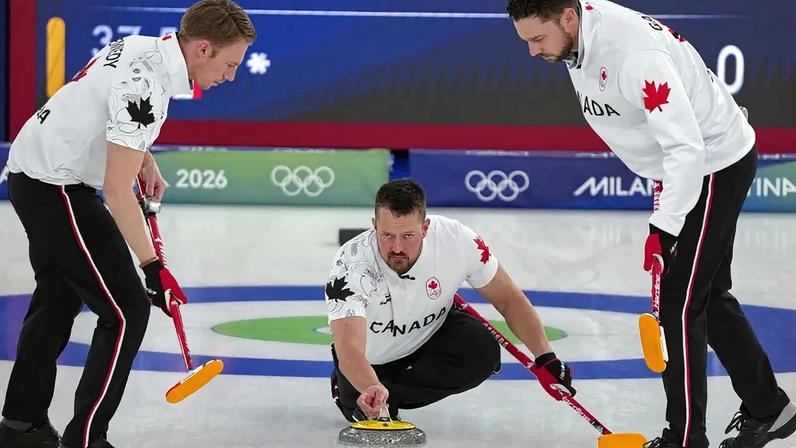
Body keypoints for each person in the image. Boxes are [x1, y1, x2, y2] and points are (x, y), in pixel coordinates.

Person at [506, 1, 796, 447]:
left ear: (568, 17)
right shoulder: (574, 36)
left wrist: (664, 226)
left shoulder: (633, 55)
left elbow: (687, 150)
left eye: (537, 39)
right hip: (682, 168)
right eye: (525, 40)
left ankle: (684, 439)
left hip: (712, 164)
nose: (531, 52)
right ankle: (768, 406)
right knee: (707, 296)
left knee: (679, 304)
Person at [0, 2, 255, 447]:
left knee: (58, 299)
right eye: (229, 64)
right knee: (126, 311)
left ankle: (21, 426)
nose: (230, 77)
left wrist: (144, 157)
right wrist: (153, 267)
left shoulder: (144, 47)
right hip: (57, 185)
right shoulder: (148, 83)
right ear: (202, 48)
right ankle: (87, 438)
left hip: (33, 170)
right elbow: (117, 193)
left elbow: (107, 110)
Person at [325, 179, 575, 422]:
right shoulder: (350, 265)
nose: (397, 247)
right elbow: (350, 351)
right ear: (374, 226)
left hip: (430, 335)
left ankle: (394, 396)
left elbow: (509, 299)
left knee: (482, 351)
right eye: (387, 235)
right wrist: (370, 386)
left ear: (425, 228)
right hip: (370, 362)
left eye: (409, 235)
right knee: (360, 400)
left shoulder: (457, 240)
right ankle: (372, 392)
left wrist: (546, 357)